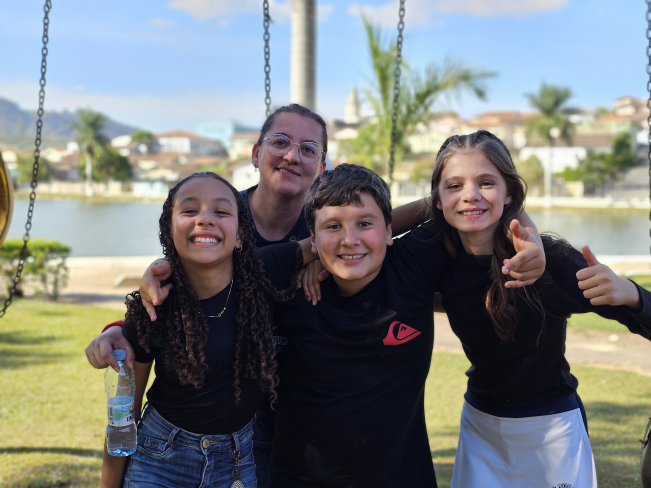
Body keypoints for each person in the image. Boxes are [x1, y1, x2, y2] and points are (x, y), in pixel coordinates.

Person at [87, 104, 547, 487]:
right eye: (280, 142)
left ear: (322, 165)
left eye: (308, 148)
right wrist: (121, 329)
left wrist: (530, 238)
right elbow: (182, 279)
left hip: (317, 454)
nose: (292, 156)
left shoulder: (350, 251)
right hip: (248, 444)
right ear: (255, 153)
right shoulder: (225, 217)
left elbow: (461, 203)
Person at [427, 130, 651, 488]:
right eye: (454, 186)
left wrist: (631, 294)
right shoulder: (434, 258)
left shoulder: (554, 264)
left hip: (553, 430)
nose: (470, 195)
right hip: (481, 427)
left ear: (510, 193)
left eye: (486, 182)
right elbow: (373, 237)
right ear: (437, 199)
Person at [101, 172, 314, 488]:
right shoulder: (154, 304)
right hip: (159, 461)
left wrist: (316, 265)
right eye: (189, 210)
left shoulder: (265, 269)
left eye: (222, 211)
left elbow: (334, 239)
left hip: (236, 464)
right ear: (169, 230)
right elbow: (122, 417)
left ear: (240, 234)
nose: (204, 219)